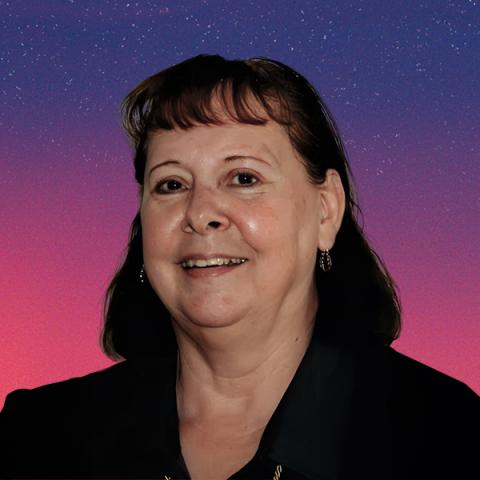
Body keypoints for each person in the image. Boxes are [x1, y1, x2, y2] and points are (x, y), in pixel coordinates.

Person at [0, 54, 478, 480]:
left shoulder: (446, 435)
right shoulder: (37, 435)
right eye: (171, 185)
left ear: (326, 210)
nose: (200, 213)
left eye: (243, 178)